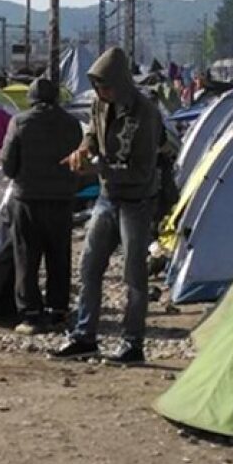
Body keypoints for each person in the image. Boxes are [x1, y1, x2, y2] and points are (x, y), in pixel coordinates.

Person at [54, 47, 162, 364]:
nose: (102, 92)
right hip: (107, 196)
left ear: (120, 82)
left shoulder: (145, 112)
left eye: (106, 86)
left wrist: (98, 168)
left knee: (134, 274)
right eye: (98, 86)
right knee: (89, 267)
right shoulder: (100, 104)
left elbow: (143, 169)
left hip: (137, 200)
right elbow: (91, 133)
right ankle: (85, 335)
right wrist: (83, 151)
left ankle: (132, 343)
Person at [0, 78, 83, 335]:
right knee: (59, 256)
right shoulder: (72, 124)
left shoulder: (20, 122)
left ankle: (31, 315)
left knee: (27, 257)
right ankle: (58, 312)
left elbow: (7, 163)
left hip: (27, 200)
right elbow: (80, 162)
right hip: (62, 201)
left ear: (32, 98)